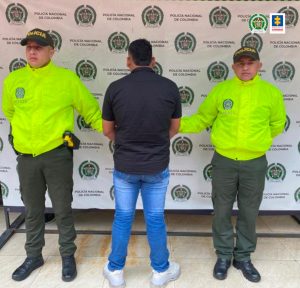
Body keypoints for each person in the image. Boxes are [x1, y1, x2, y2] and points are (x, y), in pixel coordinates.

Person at [2, 28, 102, 282]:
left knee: (62, 208)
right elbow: (11, 112)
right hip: (26, 157)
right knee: (33, 210)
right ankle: (33, 255)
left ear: (51, 51)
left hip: (56, 155)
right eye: (29, 47)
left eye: (39, 47)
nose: (32, 51)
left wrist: (114, 132)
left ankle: (68, 255)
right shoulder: (14, 80)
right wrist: (23, 139)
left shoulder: (66, 80)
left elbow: (91, 112)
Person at [180, 47, 286, 283]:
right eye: (241, 64)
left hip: (254, 163)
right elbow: (202, 119)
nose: (245, 68)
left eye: (250, 63)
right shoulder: (221, 91)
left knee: (249, 211)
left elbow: (277, 124)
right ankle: (224, 255)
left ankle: (244, 257)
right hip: (224, 161)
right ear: (233, 67)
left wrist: (259, 141)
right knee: (221, 210)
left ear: (259, 65)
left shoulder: (271, 93)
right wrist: (175, 126)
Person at [102, 39, 181, 288]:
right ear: (153, 60)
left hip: (125, 166)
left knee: (123, 218)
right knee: (155, 219)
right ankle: (161, 271)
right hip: (156, 166)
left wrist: (125, 141)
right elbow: (175, 127)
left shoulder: (115, 88)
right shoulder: (169, 87)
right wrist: (157, 141)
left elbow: (107, 130)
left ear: (129, 60)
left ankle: (115, 270)